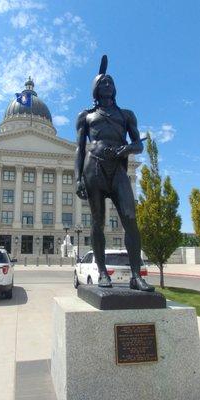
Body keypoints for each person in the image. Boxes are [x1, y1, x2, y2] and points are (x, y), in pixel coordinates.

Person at [75, 55, 154, 292]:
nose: (108, 85)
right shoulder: (85, 116)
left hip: (118, 169)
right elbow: (79, 149)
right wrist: (78, 177)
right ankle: (102, 273)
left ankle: (135, 276)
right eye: (103, 82)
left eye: (111, 82)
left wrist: (128, 148)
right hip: (94, 167)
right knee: (98, 222)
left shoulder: (126, 115)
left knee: (130, 220)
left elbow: (139, 144)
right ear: (96, 89)